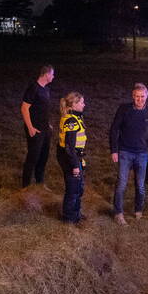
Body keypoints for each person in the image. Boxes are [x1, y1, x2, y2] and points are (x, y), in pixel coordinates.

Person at [109, 83, 148, 224]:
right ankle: (118, 213)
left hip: (142, 154)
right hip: (125, 152)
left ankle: (138, 210)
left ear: (147, 96)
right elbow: (114, 129)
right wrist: (114, 150)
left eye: (142, 96)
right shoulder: (124, 109)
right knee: (121, 184)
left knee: (140, 185)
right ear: (133, 96)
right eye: (137, 97)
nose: (140, 99)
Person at [20, 64, 55, 187]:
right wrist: (30, 127)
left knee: (43, 157)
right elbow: (24, 108)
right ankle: (25, 186)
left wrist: (48, 124)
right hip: (35, 129)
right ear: (46, 75)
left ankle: (40, 183)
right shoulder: (33, 88)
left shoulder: (46, 89)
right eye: (52, 74)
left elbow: (42, 109)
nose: (53, 77)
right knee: (33, 157)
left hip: (45, 130)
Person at [57, 92, 87, 223]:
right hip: (70, 158)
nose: (84, 104)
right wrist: (75, 165)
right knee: (73, 189)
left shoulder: (75, 118)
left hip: (74, 157)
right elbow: (69, 147)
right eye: (81, 102)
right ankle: (69, 218)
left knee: (78, 188)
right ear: (74, 104)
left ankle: (76, 214)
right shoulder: (71, 121)